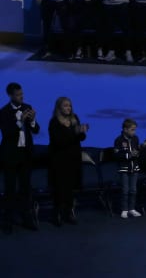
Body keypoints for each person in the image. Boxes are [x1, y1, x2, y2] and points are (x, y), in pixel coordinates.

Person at [0, 82, 40, 233]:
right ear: (10, 95)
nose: (21, 97)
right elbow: (7, 133)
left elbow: (36, 130)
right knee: (10, 189)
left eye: (22, 94)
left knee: (25, 189)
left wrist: (33, 120)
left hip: (25, 155)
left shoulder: (27, 107)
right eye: (18, 95)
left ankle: (27, 218)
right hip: (10, 156)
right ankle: (8, 220)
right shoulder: (3, 112)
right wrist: (19, 121)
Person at [48, 96, 87, 226]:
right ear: (59, 107)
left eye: (69, 105)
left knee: (70, 189)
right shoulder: (54, 122)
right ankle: (57, 214)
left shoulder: (74, 119)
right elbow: (59, 142)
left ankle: (69, 213)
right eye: (65, 105)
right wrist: (74, 133)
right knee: (60, 188)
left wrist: (82, 131)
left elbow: (81, 138)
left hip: (74, 159)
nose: (68, 108)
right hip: (60, 160)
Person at [112, 118, 142, 219]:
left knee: (133, 190)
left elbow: (137, 150)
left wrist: (137, 153)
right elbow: (116, 155)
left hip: (134, 168)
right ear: (125, 129)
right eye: (132, 129)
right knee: (125, 190)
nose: (134, 132)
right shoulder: (118, 140)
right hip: (124, 168)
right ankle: (124, 209)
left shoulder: (136, 139)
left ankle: (132, 209)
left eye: (135, 129)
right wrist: (129, 155)